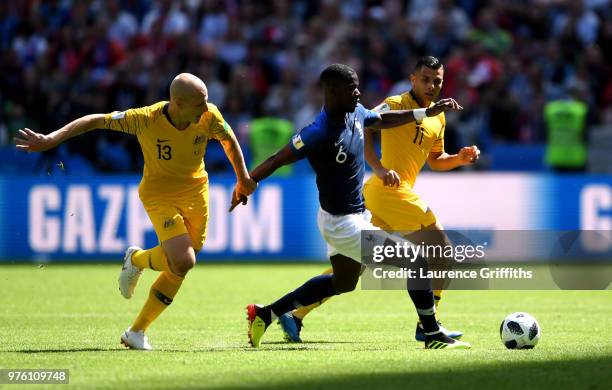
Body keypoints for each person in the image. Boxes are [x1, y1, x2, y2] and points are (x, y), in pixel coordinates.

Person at [231, 63, 471, 349]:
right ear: (332, 92)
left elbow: (384, 120)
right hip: (342, 223)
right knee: (417, 260)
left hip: (353, 216)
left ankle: (265, 314)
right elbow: (276, 159)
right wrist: (247, 182)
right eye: (351, 88)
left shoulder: (356, 112)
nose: (358, 93)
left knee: (344, 282)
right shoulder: (316, 133)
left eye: (357, 86)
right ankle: (431, 333)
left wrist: (425, 113)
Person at [15, 73, 257, 350]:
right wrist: (51, 139)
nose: (206, 108)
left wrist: (243, 178)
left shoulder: (209, 115)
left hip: (196, 192)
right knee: (184, 261)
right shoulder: (145, 118)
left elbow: (229, 139)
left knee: (179, 266)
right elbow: (96, 120)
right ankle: (138, 264)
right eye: (199, 103)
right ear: (177, 103)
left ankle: (136, 328)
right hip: (159, 194)